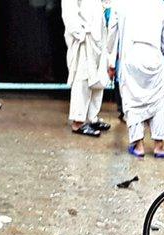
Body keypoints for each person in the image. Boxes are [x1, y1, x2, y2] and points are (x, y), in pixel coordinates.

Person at [107, 0, 164, 158]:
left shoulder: (119, 3)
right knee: (158, 102)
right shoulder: (159, 4)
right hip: (153, 54)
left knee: (131, 101)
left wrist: (111, 63)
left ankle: (138, 145)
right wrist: (161, 57)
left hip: (130, 56)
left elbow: (112, 34)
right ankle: (160, 146)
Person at [62, 0, 112, 138]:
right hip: (85, 38)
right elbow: (69, 11)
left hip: (99, 35)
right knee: (82, 79)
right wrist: (79, 33)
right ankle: (78, 121)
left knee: (98, 78)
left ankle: (92, 118)